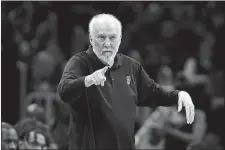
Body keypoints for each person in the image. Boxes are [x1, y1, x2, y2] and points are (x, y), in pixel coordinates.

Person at [58, 13, 195, 149]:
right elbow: (64, 90)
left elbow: (153, 93)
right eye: (101, 37)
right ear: (91, 39)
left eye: (112, 37)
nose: (107, 43)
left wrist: (178, 95)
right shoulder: (79, 62)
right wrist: (86, 81)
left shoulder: (130, 66)